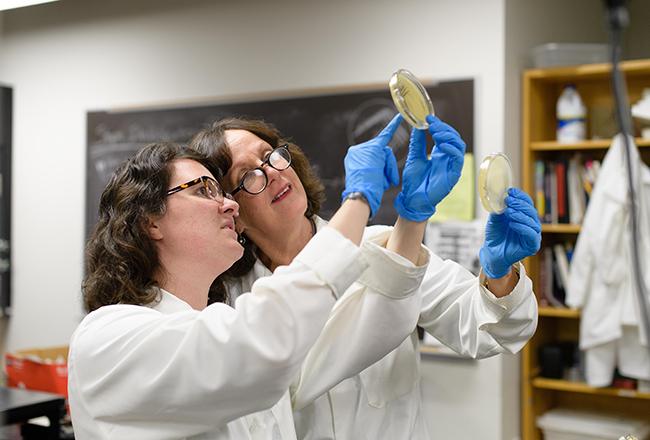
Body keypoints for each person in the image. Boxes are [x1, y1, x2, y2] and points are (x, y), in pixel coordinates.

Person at [190, 113, 542, 440]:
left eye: (271, 155)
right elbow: (293, 385)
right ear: (231, 210)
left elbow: (489, 331)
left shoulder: (382, 244)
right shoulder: (228, 303)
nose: (273, 173)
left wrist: (500, 274)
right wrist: (406, 231)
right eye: (247, 176)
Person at [68, 141, 431, 439]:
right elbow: (262, 340)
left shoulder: (220, 321)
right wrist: (358, 202)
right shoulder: (108, 338)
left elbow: (353, 334)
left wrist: (412, 220)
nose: (230, 204)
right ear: (150, 221)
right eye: (204, 190)